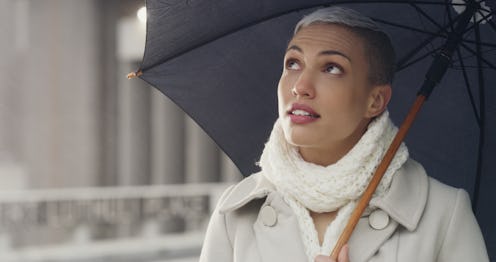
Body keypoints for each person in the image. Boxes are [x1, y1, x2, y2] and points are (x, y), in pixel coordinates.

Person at [199, 7, 489, 262]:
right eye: (293, 63)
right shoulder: (236, 212)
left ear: (375, 101)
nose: (301, 85)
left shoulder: (443, 214)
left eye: (332, 68)